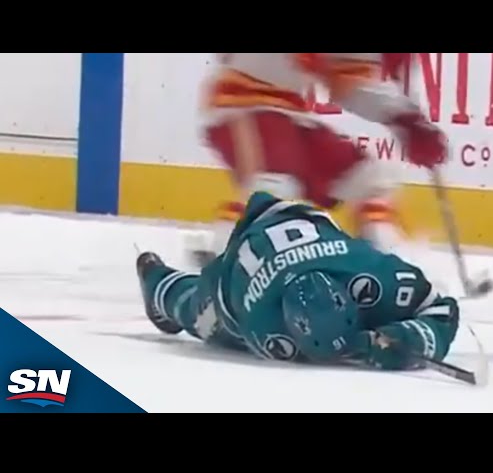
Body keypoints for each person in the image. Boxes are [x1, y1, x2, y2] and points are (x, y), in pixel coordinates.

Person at [138, 191, 460, 371]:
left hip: (302, 221)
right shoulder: (260, 323)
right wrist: (387, 346)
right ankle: (156, 280)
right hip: (240, 268)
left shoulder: (372, 272)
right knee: (199, 312)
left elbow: (442, 309)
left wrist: (405, 336)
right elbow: (223, 308)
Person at [186, 53, 448, 265]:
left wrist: (405, 119)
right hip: (240, 103)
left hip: (290, 113)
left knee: (368, 180)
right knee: (273, 187)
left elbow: (349, 83)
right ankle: (222, 260)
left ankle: (383, 262)